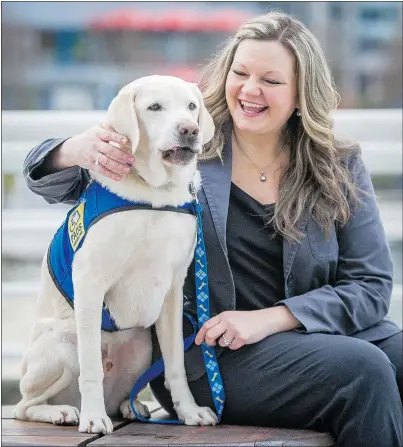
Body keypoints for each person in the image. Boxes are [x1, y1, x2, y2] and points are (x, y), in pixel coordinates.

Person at [23, 12, 402, 447]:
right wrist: (73, 149)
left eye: (271, 81)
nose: (250, 89)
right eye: (240, 73)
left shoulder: (339, 164)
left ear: (301, 94)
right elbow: (55, 180)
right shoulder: (181, 147)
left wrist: (272, 319)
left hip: (315, 334)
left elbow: (371, 286)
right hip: (216, 355)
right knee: (365, 372)